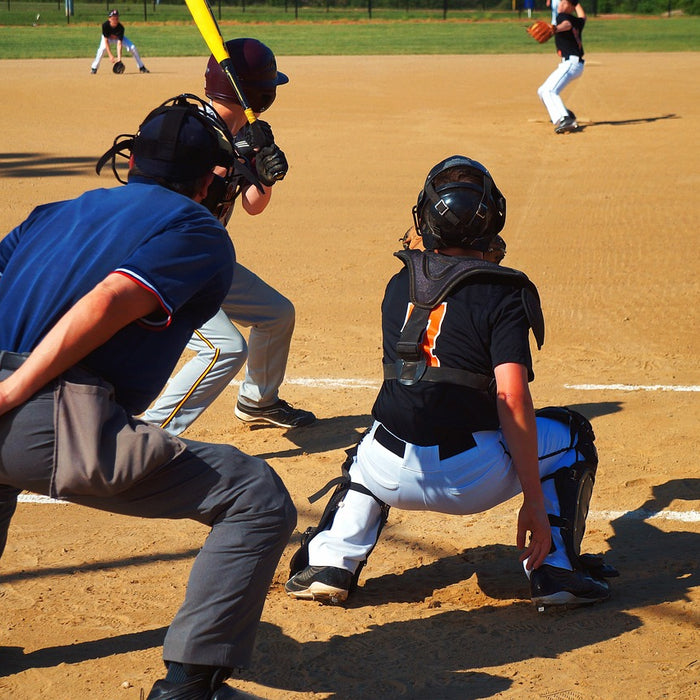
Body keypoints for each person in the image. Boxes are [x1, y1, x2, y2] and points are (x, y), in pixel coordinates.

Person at [0, 94, 296, 700]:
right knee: (255, 497)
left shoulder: (54, 209)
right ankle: (192, 688)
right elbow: (110, 299)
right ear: (210, 178)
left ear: (132, 159)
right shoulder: (197, 230)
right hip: (47, 417)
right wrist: (14, 388)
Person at [284, 155, 616, 609]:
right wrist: (533, 502)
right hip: (470, 478)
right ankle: (556, 569)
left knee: (371, 446)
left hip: (388, 471)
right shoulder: (503, 291)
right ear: (493, 220)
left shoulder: (399, 281)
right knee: (574, 434)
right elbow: (511, 397)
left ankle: (330, 562)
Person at [142, 38, 316, 435]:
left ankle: (258, 401)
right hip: (161, 265)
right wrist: (230, 162)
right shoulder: (186, 130)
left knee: (276, 314)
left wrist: (264, 173)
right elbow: (168, 208)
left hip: (205, 260)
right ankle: (151, 437)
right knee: (223, 347)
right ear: (258, 91)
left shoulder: (245, 132)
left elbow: (253, 204)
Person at [537, 0, 586, 134]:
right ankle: (567, 114)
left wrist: (556, 28)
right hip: (571, 64)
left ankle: (564, 119)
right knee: (542, 91)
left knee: (549, 91)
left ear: (570, 7)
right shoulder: (578, 21)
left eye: (564, 2)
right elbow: (583, 17)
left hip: (571, 63)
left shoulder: (563, 17)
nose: (560, 5)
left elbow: (566, 25)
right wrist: (576, 3)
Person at [90, 9, 149, 75]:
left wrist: (119, 59)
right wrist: (110, 55)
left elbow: (119, 44)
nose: (115, 19)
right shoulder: (105, 25)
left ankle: (141, 67)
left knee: (133, 48)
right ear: (109, 19)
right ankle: (94, 68)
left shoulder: (121, 28)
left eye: (117, 17)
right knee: (102, 49)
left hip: (117, 39)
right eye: (113, 17)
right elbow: (106, 41)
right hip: (108, 39)